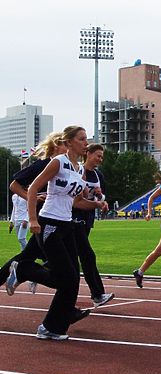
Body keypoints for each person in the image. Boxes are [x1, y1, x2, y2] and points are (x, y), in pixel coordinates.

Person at [5, 125, 107, 340]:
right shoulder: (57, 162)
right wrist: (33, 219)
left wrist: (97, 205)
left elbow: (77, 202)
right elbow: (32, 189)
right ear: (69, 142)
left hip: (66, 225)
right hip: (48, 222)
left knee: (72, 278)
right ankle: (23, 270)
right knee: (65, 277)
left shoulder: (79, 169)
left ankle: (52, 328)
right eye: (81, 139)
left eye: (86, 139)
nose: (85, 143)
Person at [0, 132, 67, 290]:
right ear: (56, 146)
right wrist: (32, 197)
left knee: (28, 255)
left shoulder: (64, 165)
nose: (68, 147)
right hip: (44, 217)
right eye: (66, 144)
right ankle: (27, 273)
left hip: (57, 218)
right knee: (54, 258)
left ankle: (20, 273)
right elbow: (14, 185)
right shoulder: (42, 164)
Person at [73, 143, 114, 307]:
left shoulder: (98, 175)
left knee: (74, 255)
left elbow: (102, 198)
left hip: (88, 218)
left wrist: (100, 198)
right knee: (87, 256)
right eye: (98, 155)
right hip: (74, 217)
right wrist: (87, 195)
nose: (100, 159)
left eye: (102, 156)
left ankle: (33, 271)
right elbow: (74, 196)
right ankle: (97, 294)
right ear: (88, 154)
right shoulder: (78, 171)